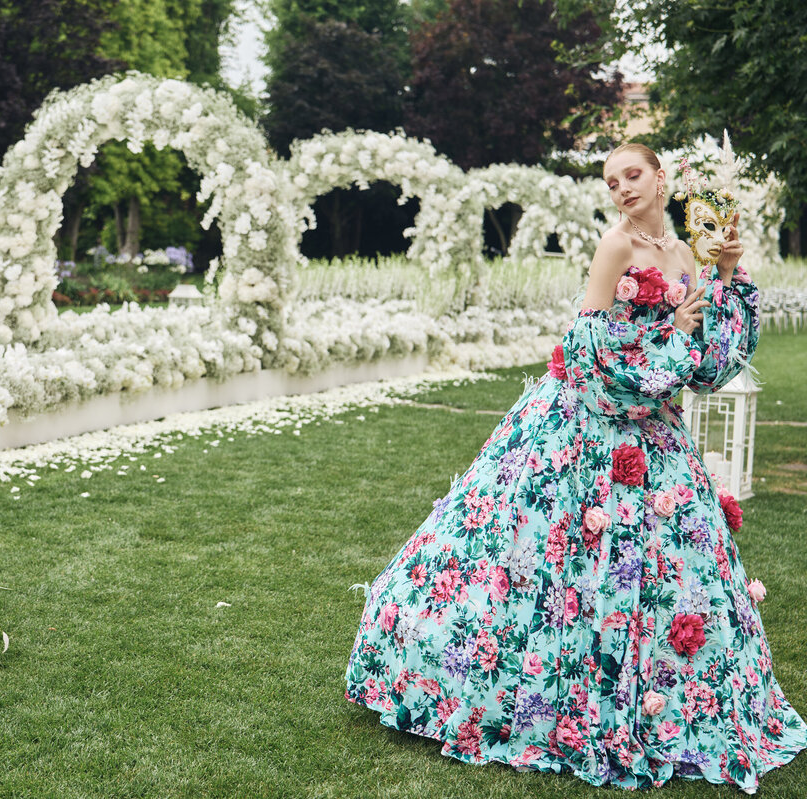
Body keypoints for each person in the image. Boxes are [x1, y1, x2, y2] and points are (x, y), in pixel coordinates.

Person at [344, 143, 804, 791]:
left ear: (662, 178)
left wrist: (728, 275)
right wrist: (667, 328)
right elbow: (586, 349)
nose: (621, 188)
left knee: (664, 573)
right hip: (583, 427)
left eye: (633, 175)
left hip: (656, 439)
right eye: (611, 180)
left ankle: (659, 690)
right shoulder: (614, 247)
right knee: (545, 557)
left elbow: (707, 365)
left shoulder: (681, 255)